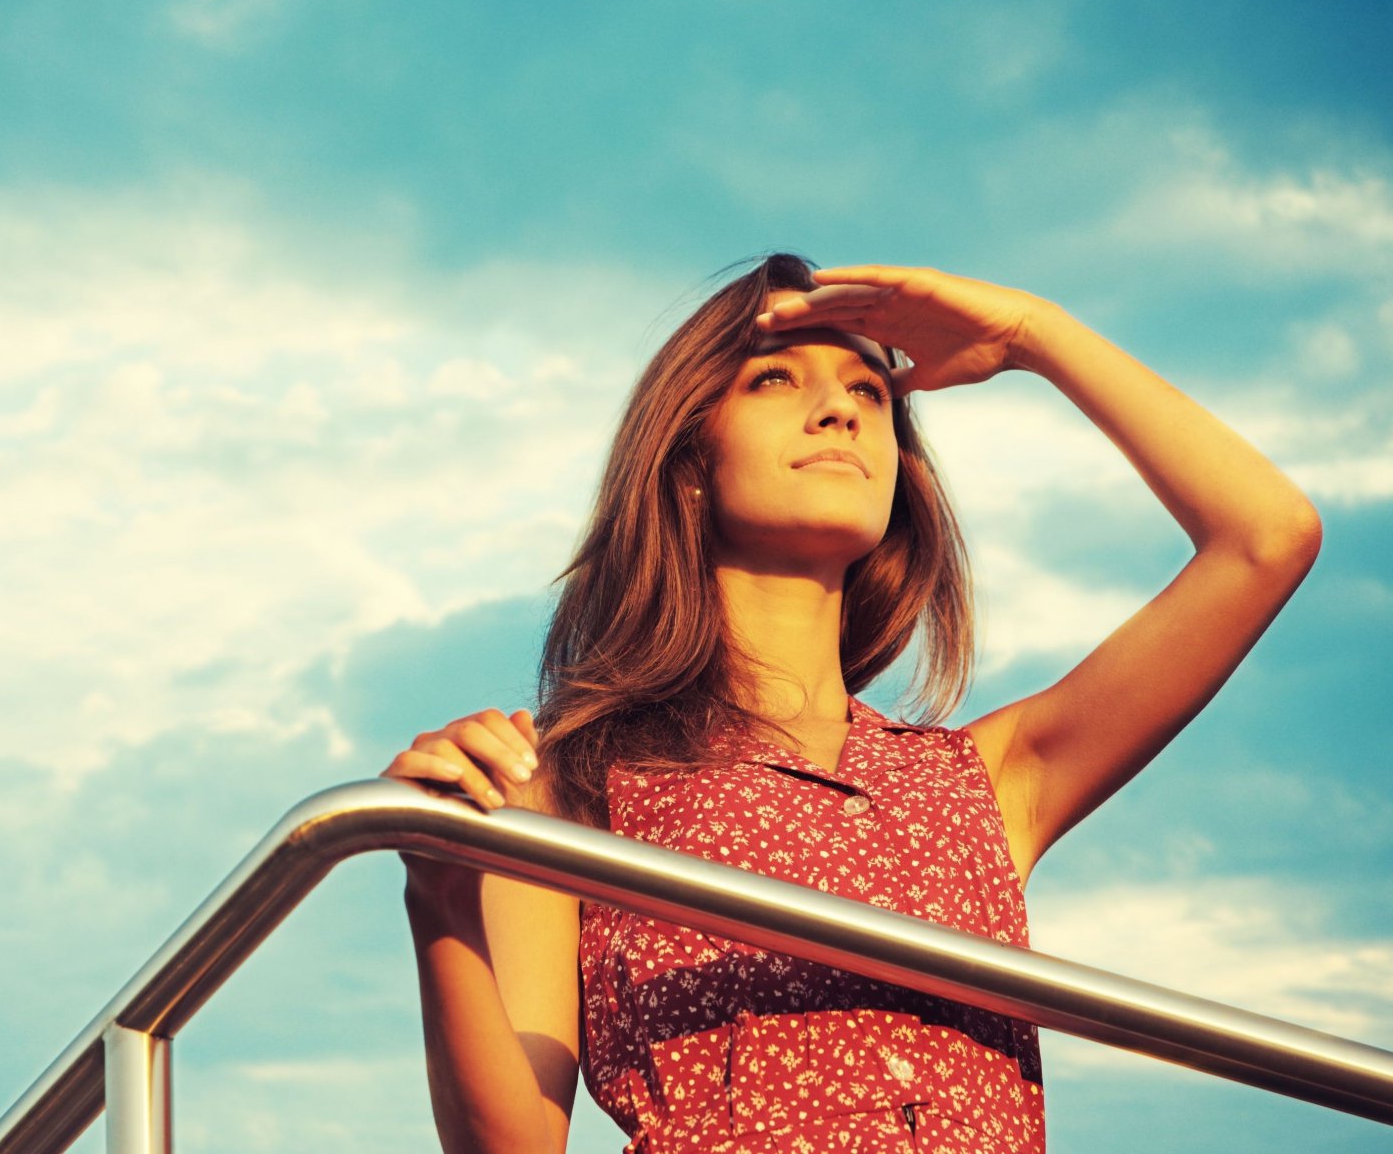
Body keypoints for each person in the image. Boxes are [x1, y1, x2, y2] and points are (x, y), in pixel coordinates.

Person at [379, 255, 1321, 1153]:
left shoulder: (991, 781)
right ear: (689, 462)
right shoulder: (574, 780)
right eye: (777, 380)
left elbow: (1266, 535)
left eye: (870, 390)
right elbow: (515, 1140)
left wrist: (1033, 333)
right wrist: (439, 891)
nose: (838, 409)